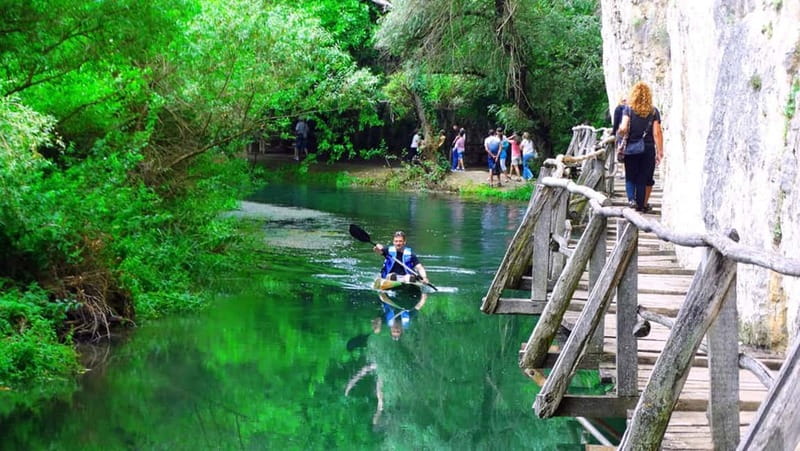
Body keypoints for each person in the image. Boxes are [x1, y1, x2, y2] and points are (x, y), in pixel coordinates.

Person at [617, 81, 663, 213]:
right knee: (643, 177)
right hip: (647, 148)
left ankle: (632, 201)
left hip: (631, 147)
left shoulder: (628, 109)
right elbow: (656, 133)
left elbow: (624, 127)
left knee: (630, 176)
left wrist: (620, 131)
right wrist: (660, 151)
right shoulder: (654, 112)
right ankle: (641, 205)